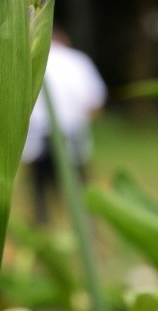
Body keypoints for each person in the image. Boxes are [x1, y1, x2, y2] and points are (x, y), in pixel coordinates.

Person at [22, 28, 106, 225]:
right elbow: (96, 103)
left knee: (39, 196)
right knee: (79, 196)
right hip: (71, 138)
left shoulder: (28, 57)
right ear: (65, 39)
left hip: (38, 140)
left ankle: (41, 235)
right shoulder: (79, 61)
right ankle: (88, 236)